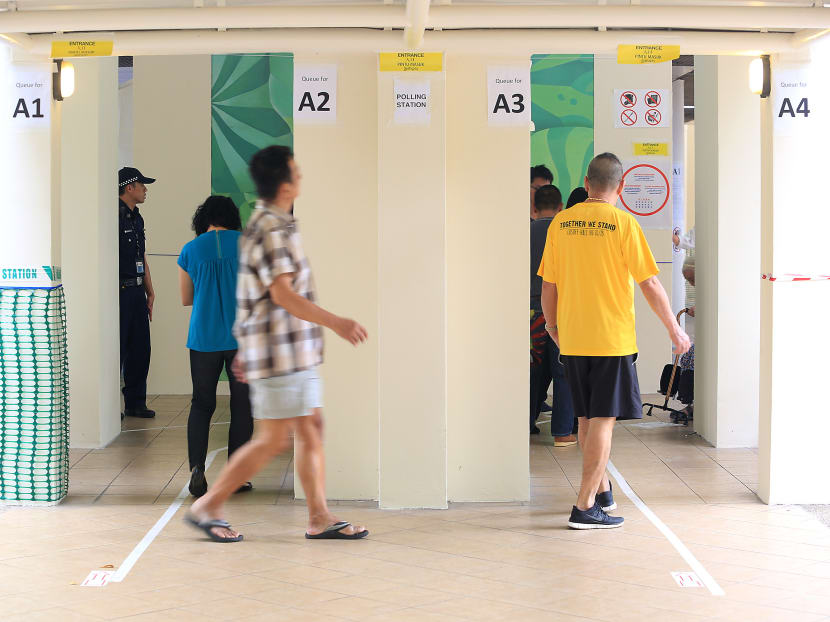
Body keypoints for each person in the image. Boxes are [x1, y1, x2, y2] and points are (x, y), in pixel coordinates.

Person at [185, 145, 369, 543]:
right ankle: (208, 506)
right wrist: (337, 322)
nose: (301, 176)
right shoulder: (270, 229)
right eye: (296, 171)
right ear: (285, 184)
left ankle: (319, 516)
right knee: (272, 440)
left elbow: (257, 294)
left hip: (290, 350)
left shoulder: (277, 224)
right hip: (280, 353)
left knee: (310, 429)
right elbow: (282, 295)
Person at [538, 153, 690, 529]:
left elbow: (549, 285)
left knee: (586, 419)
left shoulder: (560, 223)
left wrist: (553, 328)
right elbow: (649, 283)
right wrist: (674, 329)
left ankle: (602, 490)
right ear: (620, 187)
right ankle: (585, 505)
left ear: (586, 183)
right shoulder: (623, 223)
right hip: (610, 339)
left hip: (573, 337)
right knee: (603, 421)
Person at [178, 196, 254, 498]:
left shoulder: (190, 249)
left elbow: (186, 298)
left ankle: (197, 467)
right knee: (242, 405)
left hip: (204, 338)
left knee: (201, 404)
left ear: (203, 218)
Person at [530, 185, 577, 446]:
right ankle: (562, 432)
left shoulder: (523, 232)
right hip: (561, 309)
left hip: (529, 312)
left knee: (531, 372)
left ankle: (525, 424)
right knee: (563, 371)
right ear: (561, 207)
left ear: (533, 208)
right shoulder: (565, 232)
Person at [118, 167, 157, 419]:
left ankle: (135, 402)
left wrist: (150, 292)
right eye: (142, 185)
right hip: (119, 291)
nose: (145, 190)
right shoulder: (113, 216)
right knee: (118, 348)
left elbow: (141, 255)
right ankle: (111, 407)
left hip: (136, 292)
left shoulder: (137, 218)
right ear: (129, 187)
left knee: (141, 348)